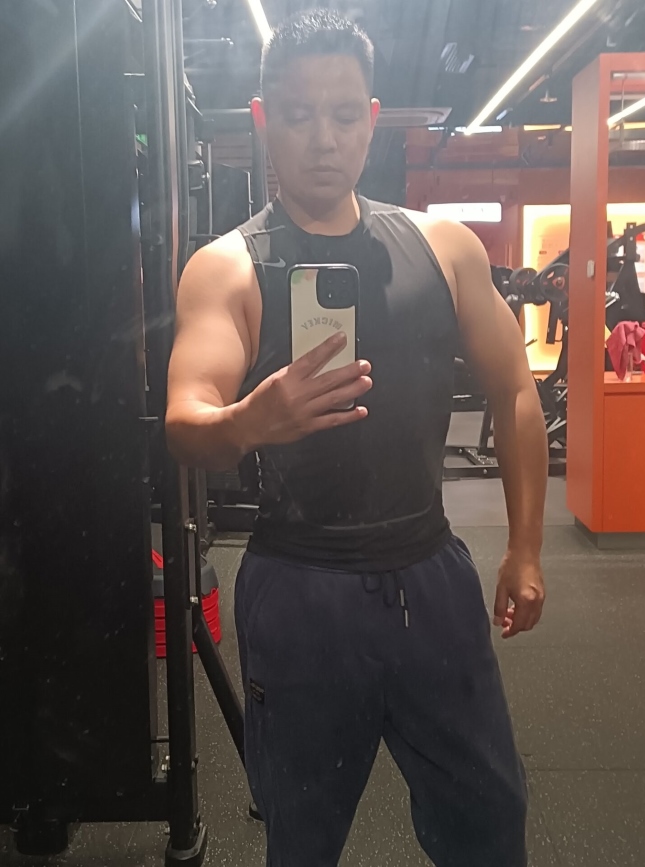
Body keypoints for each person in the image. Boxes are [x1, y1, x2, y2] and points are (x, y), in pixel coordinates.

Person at [166, 9, 547, 867]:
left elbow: (516, 386)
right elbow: (186, 420)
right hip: (300, 590)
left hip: (431, 578)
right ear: (264, 119)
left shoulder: (445, 248)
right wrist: (247, 421)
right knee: (301, 839)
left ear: (373, 119)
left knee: (490, 825)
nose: (324, 138)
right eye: (299, 115)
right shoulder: (227, 268)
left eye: (344, 114)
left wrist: (526, 547)